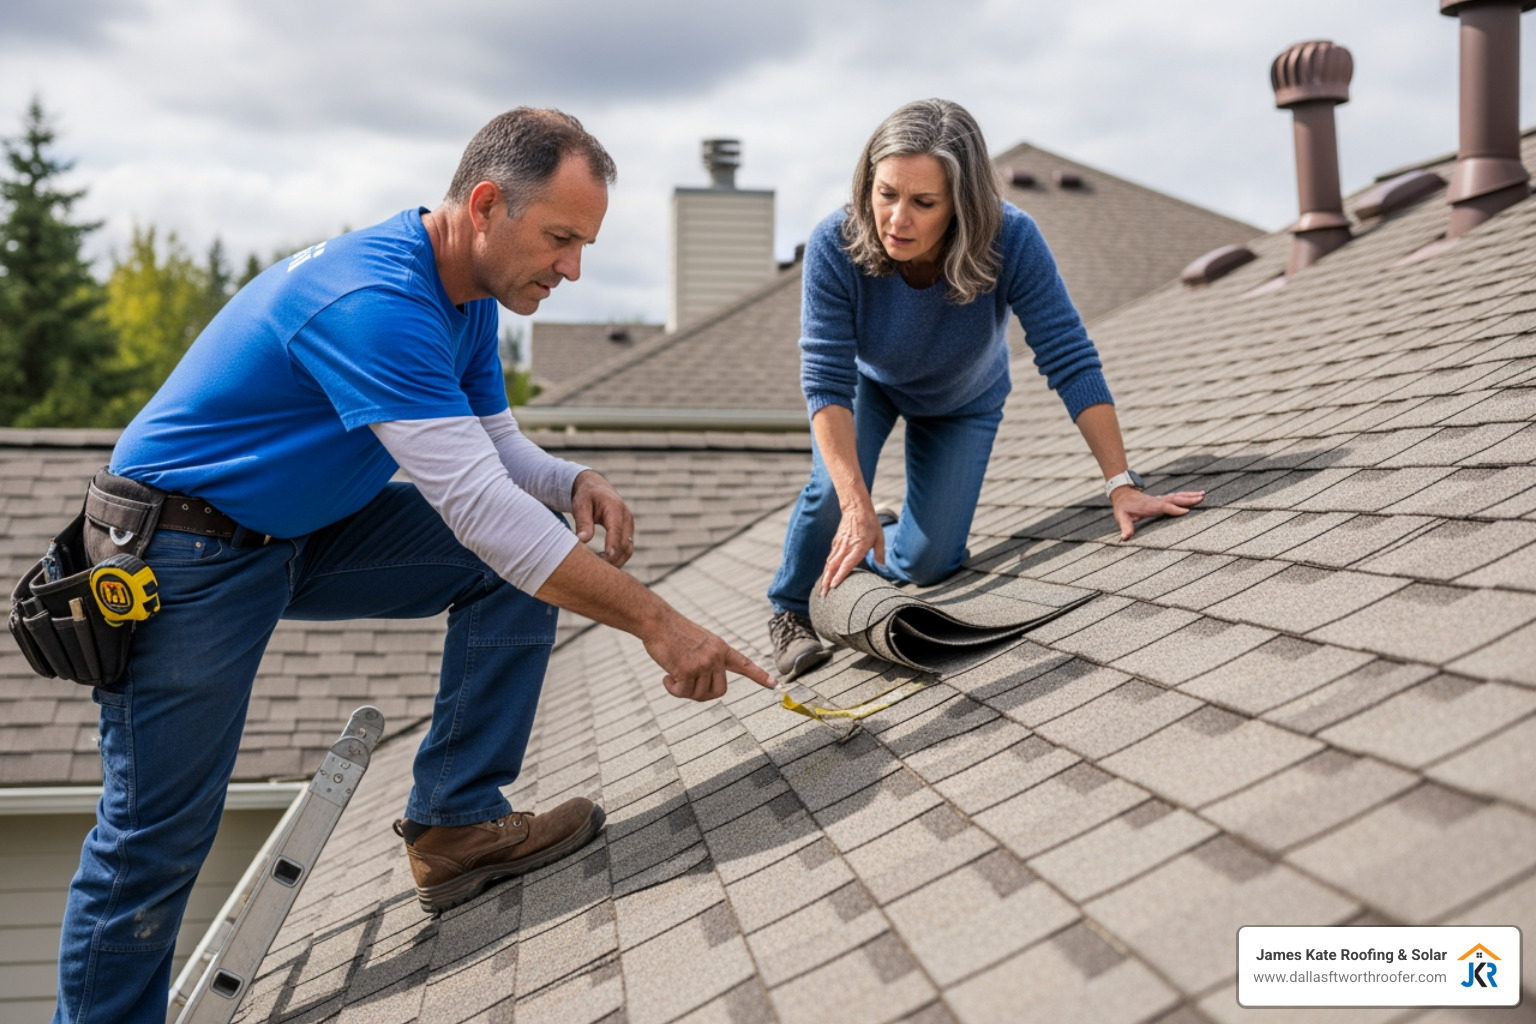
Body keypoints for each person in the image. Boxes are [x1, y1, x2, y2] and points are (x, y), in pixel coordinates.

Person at [54, 108, 773, 1024]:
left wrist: (572, 477)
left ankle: (456, 825)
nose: (572, 269)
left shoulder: (465, 297)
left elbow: (496, 453)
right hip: (181, 552)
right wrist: (661, 625)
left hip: (296, 532)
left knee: (507, 558)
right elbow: (483, 514)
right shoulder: (378, 303)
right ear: (485, 205)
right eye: (560, 239)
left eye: (584, 244)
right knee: (154, 839)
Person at [767, 99, 1205, 678]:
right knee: (832, 497)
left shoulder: (1011, 238)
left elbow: (1068, 355)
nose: (897, 219)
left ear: (960, 205)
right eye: (886, 193)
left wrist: (1121, 484)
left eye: (923, 203)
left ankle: (889, 524)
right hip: (871, 388)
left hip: (963, 400)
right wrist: (855, 503)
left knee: (927, 564)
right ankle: (790, 611)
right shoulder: (835, 243)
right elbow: (824, 378)